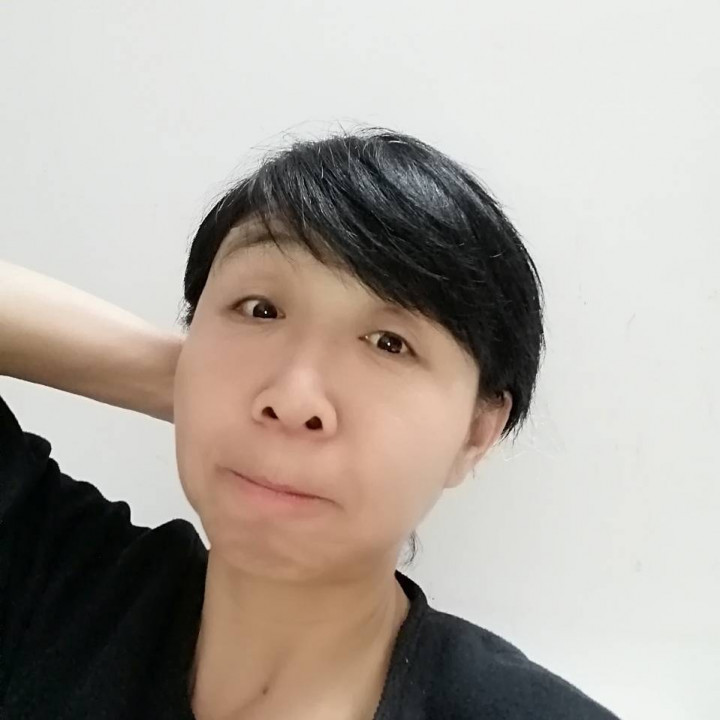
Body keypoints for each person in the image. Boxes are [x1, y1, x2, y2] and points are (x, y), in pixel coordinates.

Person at [0, 127, 620, 719]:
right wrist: (183, 385)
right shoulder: (51, 583)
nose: (294, 399)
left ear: (476, 433)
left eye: (390, 343)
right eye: (260, 309)